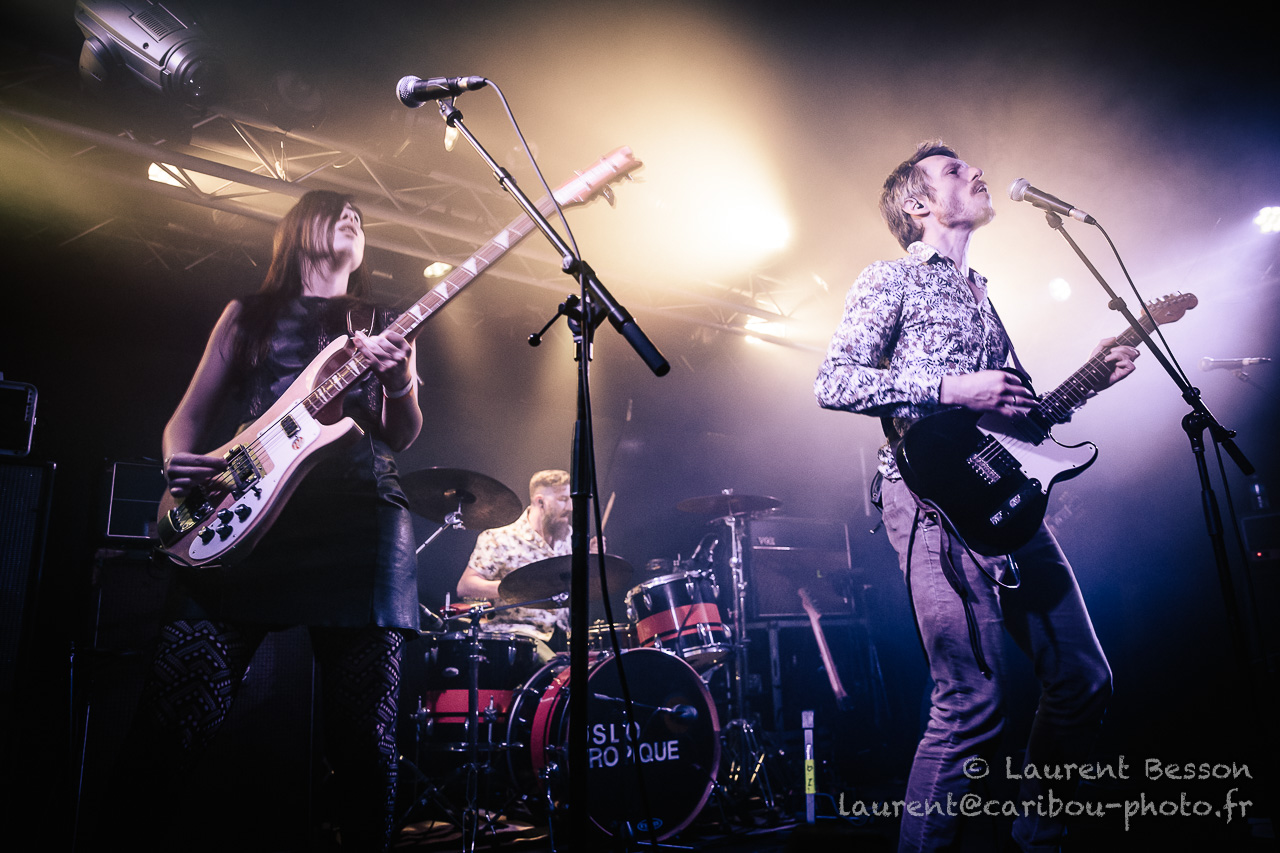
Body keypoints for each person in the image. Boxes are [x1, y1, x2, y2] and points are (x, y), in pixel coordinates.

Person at [814, 141, 1139, 852]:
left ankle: (1039, 835)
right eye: (955, 170)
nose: (976, 172)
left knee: (1083, 677)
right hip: (929, 502)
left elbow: (1020, 421)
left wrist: (1089, 379)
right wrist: (948, 387)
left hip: (996, 495)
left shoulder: (982, 297)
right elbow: (833, 380)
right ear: (919, 204)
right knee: (970, 702)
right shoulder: (891, 278)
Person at [115, 190, 422, 851]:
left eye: (359, 216)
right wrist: (177, 465)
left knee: (366, 744)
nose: (352, 217)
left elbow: (400, 434)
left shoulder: (384, 321)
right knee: (173, 720)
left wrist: (399, 379)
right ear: (296, 228)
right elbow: (187, 418)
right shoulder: (247, 315)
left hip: (358, 520)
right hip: (241, 514)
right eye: (335, 208)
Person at [455, 469, 579, 657]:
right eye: (563, 499)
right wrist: (518, 588)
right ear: (540, 501)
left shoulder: (570, 538)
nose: (570, 507)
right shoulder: (500, 538)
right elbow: (466, 586)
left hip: (563, 637)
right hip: (518, 636)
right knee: (557, 669)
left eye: (570, 499)